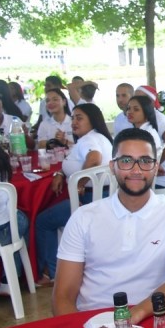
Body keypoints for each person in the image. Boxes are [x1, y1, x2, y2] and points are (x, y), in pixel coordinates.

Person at [52, 128, 165, 323]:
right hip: (92, 321)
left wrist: (134, 315)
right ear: (112, 167)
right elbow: (63, 295)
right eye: (126, 161)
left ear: (156, 167)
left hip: (151, 316)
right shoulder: (83, 218)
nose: (136, 170)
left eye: (145, 161)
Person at [35, 104, 113, 283]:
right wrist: (60, 173)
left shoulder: (88, 140)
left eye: (80, 118)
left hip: (89, 201)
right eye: (73, 118)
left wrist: (79, 184)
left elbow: (94, 159)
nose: (74, 122)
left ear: (92, 120)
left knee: (42, 221)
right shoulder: (98, 137)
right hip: (104, 198)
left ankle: (51, 272)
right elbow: (77, 161)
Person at [0, 144, 29, 297]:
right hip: (9, 221)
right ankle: (11, 279)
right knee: (16, 232)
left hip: (3, 225)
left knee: (13, 232)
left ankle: (9, 280)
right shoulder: (2, 162)